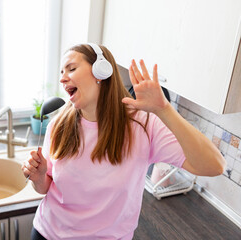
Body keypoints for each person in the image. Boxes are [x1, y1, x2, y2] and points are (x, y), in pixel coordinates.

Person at [21, 43, 225, 240]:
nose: (63, 79)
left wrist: (164, 110)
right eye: (61, 73)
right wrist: (39, 178)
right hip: (48, 234)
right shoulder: (59, 125)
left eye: (71, 69)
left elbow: (214, 165)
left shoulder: (143, 124)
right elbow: (47, 188)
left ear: (101, 71)